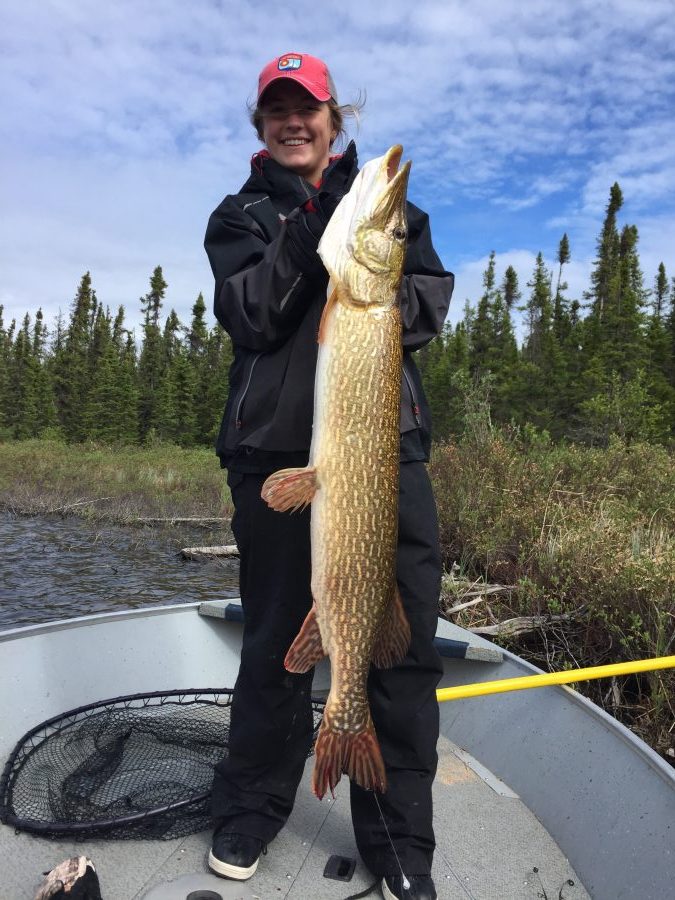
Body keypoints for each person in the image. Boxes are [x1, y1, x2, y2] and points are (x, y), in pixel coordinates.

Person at [204, 51, 454, 900]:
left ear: (333, 119)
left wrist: (359, 243)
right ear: (263, 127)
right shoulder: (240, 216)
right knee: (275, 647)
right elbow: (250, 312)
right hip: (276, 461)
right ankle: (250, 809)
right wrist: (312, 230)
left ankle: (396, 841)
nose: (293, 122)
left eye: (307, 108)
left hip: (383, 455)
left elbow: (422, 302)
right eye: (277, 111)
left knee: (400, 647)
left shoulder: (390, 216)